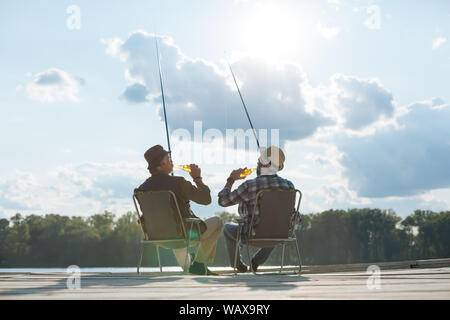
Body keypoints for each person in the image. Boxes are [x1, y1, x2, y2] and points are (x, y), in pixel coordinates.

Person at [136, 145, 223, 275]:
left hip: (156, 237)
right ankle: (199, 263)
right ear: (162, 164)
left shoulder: (141, 189)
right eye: (169, 158)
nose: (172, 161)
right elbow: (206, 199)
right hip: (181, 236)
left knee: (175, 226)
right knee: (217, 222)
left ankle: (189, 268)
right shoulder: (179, 182)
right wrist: (197, 178)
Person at [218, 146, 295, 272]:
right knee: (276, 224)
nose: (257, 165)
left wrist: (231, 179)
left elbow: (223, 201)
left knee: (228, 228)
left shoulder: (250, 185)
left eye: (258, 162)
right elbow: (293, 215)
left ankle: (239, 266)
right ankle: (256, 261)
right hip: (280, 236)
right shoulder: (289, 186)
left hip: (253, 236)